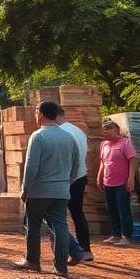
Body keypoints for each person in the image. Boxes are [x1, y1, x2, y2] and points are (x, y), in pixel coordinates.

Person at [14, 101, 81, 276]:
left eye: (36, 111)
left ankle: (33, 261)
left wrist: (25, 188)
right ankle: (61, 267)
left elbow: (31, 167)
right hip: (61, 191)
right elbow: (76, 167)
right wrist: (65, 183)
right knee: (60, 227)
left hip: (39, 191)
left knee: (33, 225)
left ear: (41, 114)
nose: (35, 115)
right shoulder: (69, 137)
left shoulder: (38, 136)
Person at [57, 108, 93, 261]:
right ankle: (86, 251)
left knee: (58, 217)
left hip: (66, 179)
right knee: (78, 214)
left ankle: (72, 251)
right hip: (80, 176)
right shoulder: (78, 131)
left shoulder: (60, 133)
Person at [99, 119, 138, 247]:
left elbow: (133, 160)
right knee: (112, 209)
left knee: (123, 209)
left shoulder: (125, 143)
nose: (105, 133)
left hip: (121, 182)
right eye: (104, 131)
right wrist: (99, 176)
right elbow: (103, 162)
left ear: (116, 130)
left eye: (108, 130)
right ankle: (115, 234)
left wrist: (131, 178)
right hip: (108, 181)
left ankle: (126, 236)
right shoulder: (104, 144)